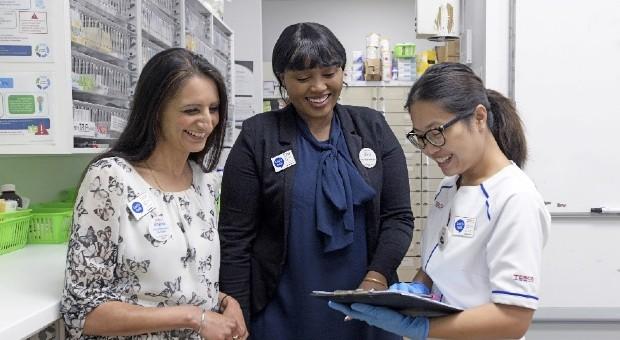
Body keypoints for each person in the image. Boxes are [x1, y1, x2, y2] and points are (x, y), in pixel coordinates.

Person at [218, 22, 414, 339]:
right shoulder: (259, 136)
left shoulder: (372, 127)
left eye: (329, 73)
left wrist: (376, 279)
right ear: (282, 78)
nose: (319, 87)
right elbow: (235, 238)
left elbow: (398, 216)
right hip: (282, 314)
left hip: (368, 311)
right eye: (303, 78)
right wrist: (236, 314)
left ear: (342, 71)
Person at [330, 62, 551, 339]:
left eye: (436, 132)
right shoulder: (449, 187)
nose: (430, 150)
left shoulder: (515, 199)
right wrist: (417, 288)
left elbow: (513, 318)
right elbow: (437, 264)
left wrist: (421, 328)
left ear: (479, 118)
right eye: (420, 138)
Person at [60, 48, 248, 340]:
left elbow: (176, 283)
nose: (208, 122)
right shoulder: (111, 179)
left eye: (213, 108)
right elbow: (81, 311)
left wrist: (225, 302)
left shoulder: (205, 183)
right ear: (155, 110)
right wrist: (194, 318)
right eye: (191, 110)